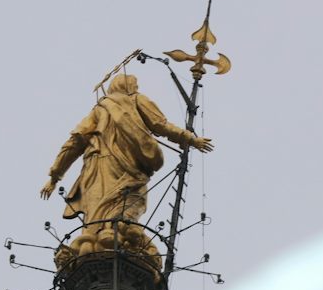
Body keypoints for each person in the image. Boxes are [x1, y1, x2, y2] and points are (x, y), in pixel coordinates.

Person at [41, 73, 212, 266]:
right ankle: (108, 241)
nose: (137, 88)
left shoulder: (99, 109)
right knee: (124, 210)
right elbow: (159, 124)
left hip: (96, 167)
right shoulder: (135, 99)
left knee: (99, 215)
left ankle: (95, 242)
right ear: (130, 87)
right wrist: (190, 138)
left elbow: (74, 142)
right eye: (135, 84)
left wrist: (55, 177)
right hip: (127, 169)